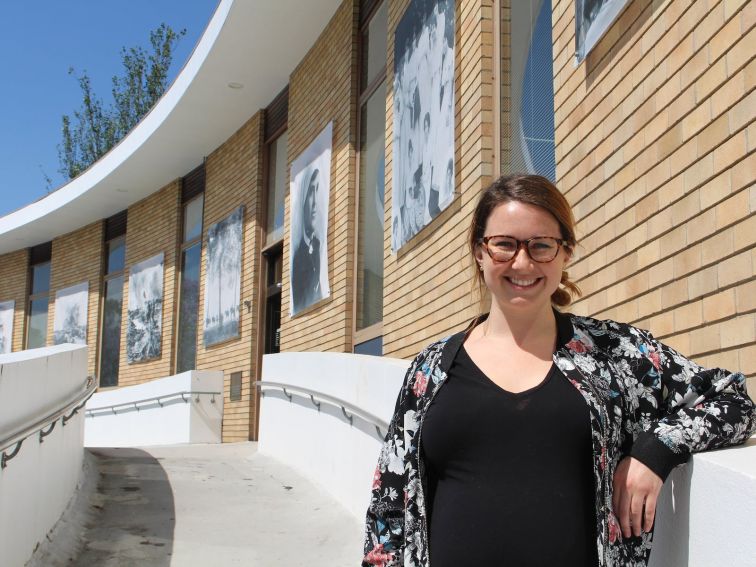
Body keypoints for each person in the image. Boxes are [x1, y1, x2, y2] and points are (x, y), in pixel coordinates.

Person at [362, 174, 755, 567]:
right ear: (479, 252)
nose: (522, 262)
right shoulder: (430, 371)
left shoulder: (613, 353)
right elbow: (389, 509)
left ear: (565, 252)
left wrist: (656, 449)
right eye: (504, 245)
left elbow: (732, 400)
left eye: (541, 246)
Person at [291, 168, 322, 313]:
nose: (315, 202)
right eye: (311, 192)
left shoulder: (317, 246)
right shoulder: (298, 260)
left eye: (317, 190)